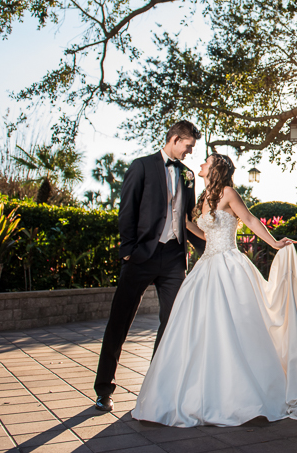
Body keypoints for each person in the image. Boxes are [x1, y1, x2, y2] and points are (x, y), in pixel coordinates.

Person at [131, 153, 297, 426]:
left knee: (235, 327)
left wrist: (274, 244)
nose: (200, 164)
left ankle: (248, 393)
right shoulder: (204, 199)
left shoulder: (228, 192)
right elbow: (205, 235)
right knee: (200, 328)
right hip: (206, 268)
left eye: (206, 161)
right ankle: (203, 391)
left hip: (229, 265)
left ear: (215, 168)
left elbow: (249, 219)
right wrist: (182, 221)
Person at [93, 121, 205, 412]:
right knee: (119, 322)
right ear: (176, 139)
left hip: (173, 259)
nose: (190, 152)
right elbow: (127, 210)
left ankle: (156, 387)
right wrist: (128, 252)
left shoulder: (189, 175)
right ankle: (104, 388)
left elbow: (189, 218)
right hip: (141, 256)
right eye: (189, 146)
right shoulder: (141, 166)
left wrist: (207, 252)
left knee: (172, 322)